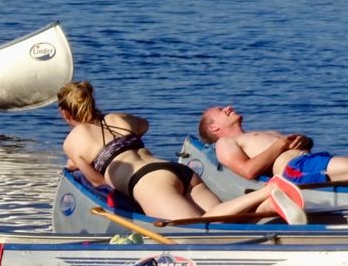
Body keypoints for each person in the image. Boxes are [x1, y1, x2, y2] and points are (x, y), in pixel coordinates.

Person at [58, 81, 306, 223]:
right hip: (176, 170)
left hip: (146, 183)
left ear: (65, 114)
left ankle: (269, 190)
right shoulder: (117, 118)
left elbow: (97, 181)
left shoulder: (73, 140)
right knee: (232, 220)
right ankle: (271, 207)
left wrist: (78, 163)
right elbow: (144, 124)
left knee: (198, 226)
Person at [199, 105, 348, 184]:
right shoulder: (225, 143)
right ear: (213, 128)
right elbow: (247, 171)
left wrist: (305, 141)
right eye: (220, 110)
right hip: (297, 168)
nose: (229, 107)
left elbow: (299, 146)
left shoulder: (257, 134)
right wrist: (280, 145)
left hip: (311, 161)